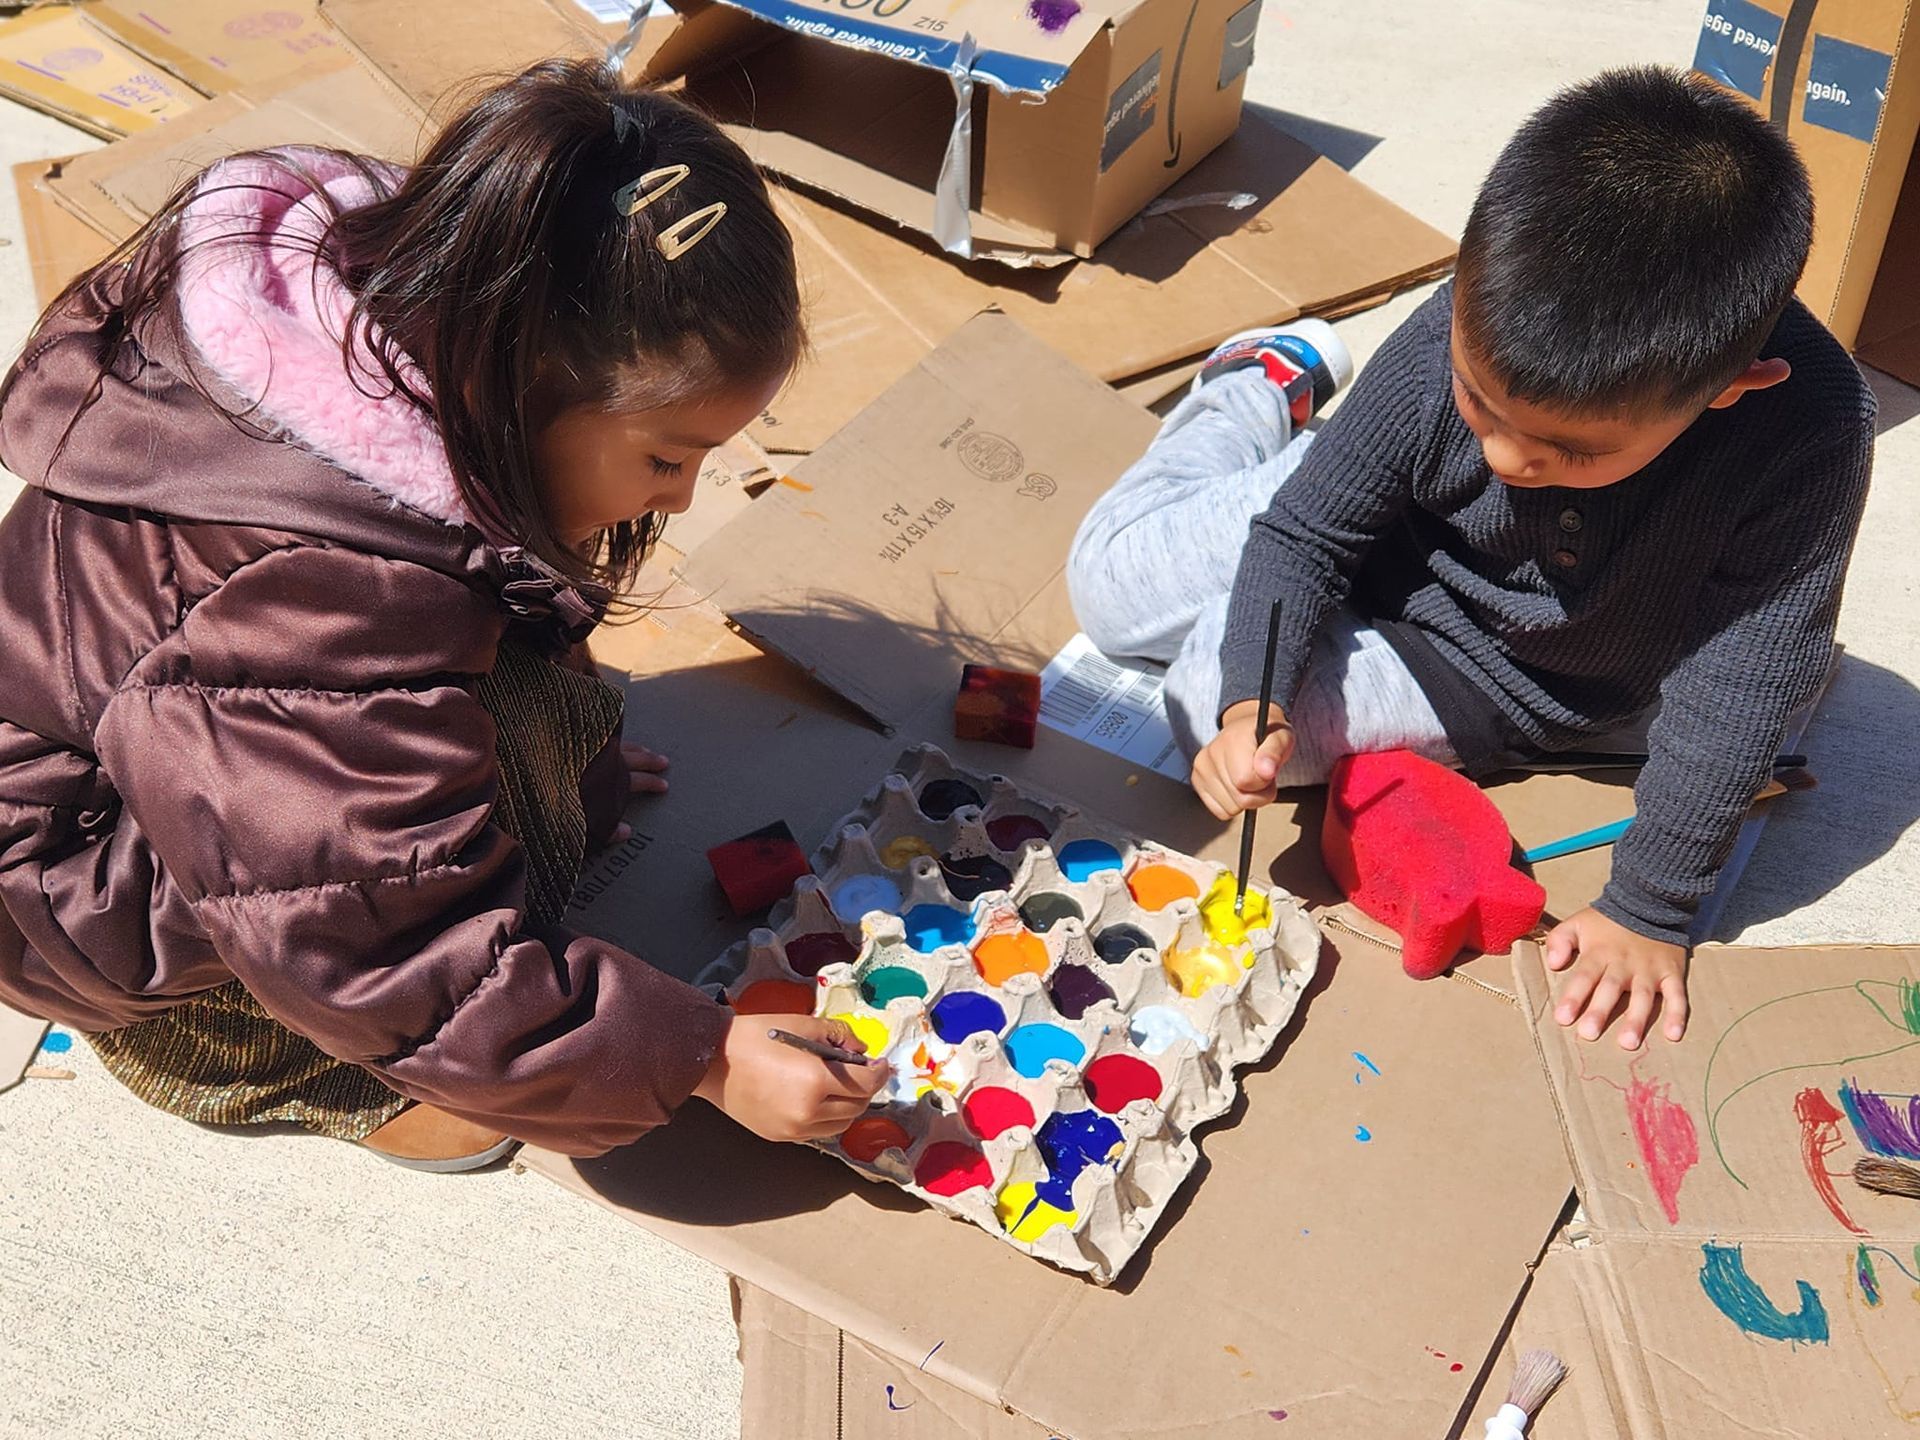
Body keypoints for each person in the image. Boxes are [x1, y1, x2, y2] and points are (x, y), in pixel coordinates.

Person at [0, 61, 888, 1170]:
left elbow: (465, 619)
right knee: (348, 903)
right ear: (498, 389)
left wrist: (578, 760)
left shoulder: (403, 341)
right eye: (667, 457)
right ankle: (249, 1064)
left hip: (198, 764)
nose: (679, 498)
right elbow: (376, 944)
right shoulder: (311, 592)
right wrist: (700, 1057)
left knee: (503, 721)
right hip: (65, 890)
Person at [1067, 65, 1875, 1052]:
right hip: (1378, 520)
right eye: (1479, 401)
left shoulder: (1810, 432)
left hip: (1507, 669)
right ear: (1463, 285)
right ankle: (1260, 385)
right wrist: (1256, 702)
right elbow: (1306, 533)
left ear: (1732, 389)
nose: (1504, 459)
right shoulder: (1458, 336)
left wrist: (1651, 908)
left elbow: (1740, 681)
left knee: (1195, 679)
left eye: (1569, 452)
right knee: (1114, 593)